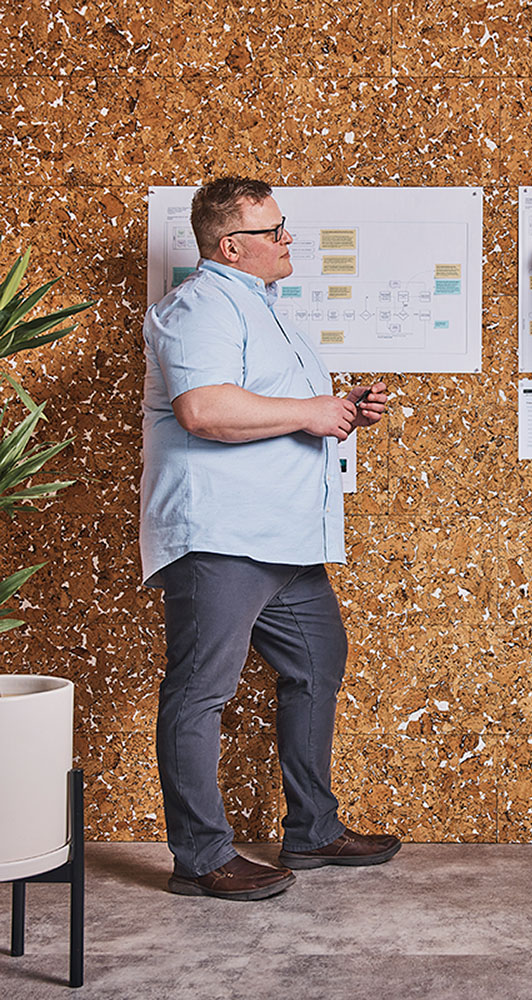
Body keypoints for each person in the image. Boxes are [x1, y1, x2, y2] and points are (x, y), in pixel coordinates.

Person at [140, 177, 400, 901]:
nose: (290, 239)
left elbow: (274, 407)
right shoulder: (198, 309)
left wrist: (338, 409)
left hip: (282, 538)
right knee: (200, 692)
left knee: (319, 662)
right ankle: (199, 857)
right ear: (231, 246)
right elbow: (204, 408)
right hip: (223, 534)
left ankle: (312, 829)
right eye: (275, 229)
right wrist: (310, 412)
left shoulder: (261, 309)